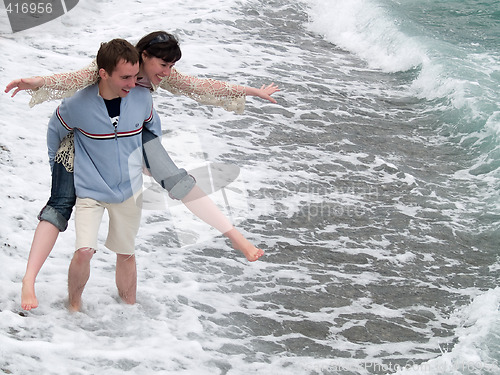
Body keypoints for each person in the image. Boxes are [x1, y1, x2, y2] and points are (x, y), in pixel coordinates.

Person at [6, 31, 279, 311]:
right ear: (144, 57)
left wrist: (251, 91)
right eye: (163, 65)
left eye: (171, 66)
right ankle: (31, 281)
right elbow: (67, 82)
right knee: (60, 204)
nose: (167, 72)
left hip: (132, 130)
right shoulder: (109, 69)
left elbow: (200, 87)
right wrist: (37, 85)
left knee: (176, 180)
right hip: (78, 143)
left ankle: (235, 238)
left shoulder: (151, 81)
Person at [46, 38, 162, 311]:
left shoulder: (143, 98)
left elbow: (153, 133)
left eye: (135, 76)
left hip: (129, 189)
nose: (132, 83)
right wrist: (57, 169)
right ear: (104, 73)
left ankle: (129, 308)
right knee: (84, 250)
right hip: (90, 189)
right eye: (125, 77)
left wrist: (149, 164)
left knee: (126, 253)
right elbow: (55, 132)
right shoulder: (77, 103)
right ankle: (74, 308)